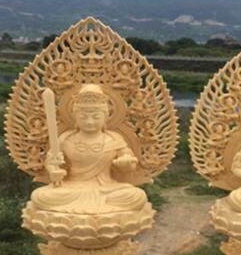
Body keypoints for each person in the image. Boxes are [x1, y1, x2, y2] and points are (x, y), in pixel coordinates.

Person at [29, 84, 150, 219]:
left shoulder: (114, 138)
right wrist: (53, 172)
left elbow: (129, 161)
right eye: (83, 117)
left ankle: (83, 211)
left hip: (107, 188)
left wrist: (126, 163)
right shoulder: (65, 138)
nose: (90, 122)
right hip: (72, 187)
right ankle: (99, 211)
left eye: (96, 117)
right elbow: (51, 160)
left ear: (106, 117)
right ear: (75, 117)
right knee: (40, 196)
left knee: (136, 196)